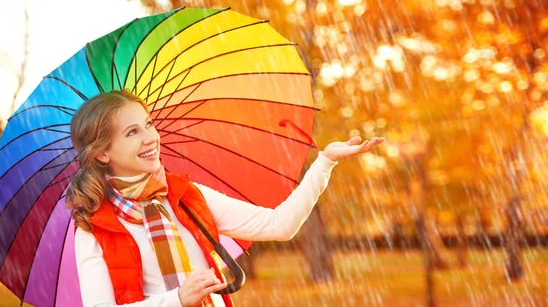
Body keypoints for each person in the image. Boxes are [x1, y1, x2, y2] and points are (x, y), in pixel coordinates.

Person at [68, 90, 384, 307]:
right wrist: (178, 299)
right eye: (132, 132)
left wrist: (325, 162)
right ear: (102, 153)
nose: (150, 137)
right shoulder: (94, 227)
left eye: (148, 124)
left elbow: (278, 225)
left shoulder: (188, 196)